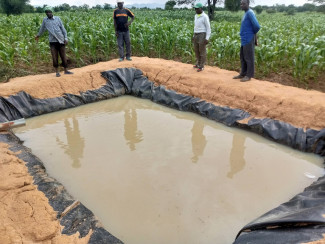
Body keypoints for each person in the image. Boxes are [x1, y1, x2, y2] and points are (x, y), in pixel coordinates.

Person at [35, 7, 73, 77]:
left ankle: (66, 70)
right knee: (54, 57)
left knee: (63, 56)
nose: (48, 13)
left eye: (49, 12)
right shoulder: (45, 20)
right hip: (52, 41)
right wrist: (38, 35)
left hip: (61, 40)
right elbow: (42, 29)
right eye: (46, 12)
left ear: (52, 12)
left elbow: (63, 28)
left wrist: (66, 38)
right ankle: (57, 72)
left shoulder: (58, 19)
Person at [233, 0, 260, 82]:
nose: (241, 5)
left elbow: (257, 26)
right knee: (243, 57)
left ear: (248, 4)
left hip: (248, 38)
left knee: (249, 58)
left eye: (243, 4)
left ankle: (249, 75)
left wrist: (253, 34)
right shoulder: (246, 13)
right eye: (241, 3)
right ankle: (243, 73)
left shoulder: (250, 13)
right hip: (244, 39)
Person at [192, 3, 211, 72]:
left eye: (197, 8)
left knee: (202, 50)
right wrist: (193, 36)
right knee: (196, 50)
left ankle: (201, 66)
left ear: (201, 8)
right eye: (195, 8)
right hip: (196, 34)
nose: (196, 10)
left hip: (202, 34)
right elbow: (195, 26)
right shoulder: (196, 16)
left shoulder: (204, 16)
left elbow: (208, 28)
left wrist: (207, 38)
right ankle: (198, 63)